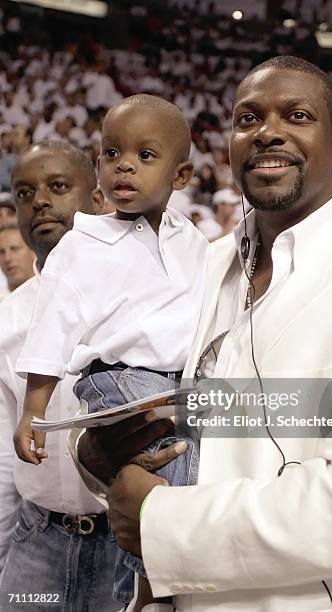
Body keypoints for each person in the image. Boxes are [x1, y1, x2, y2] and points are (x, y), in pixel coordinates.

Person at [104, 56, 332, 612]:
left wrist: (161, 522)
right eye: (247, 118)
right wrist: (104, 451)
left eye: (297, 115)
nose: (267, 131)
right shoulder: (205, 266)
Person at [14, 95, 207, 608]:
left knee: (191, 466)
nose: (124, 164)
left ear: (181, 174)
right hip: (119, 377)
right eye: (111, 153)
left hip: (173, 380)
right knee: (171, 472)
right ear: (99, 166)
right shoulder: (85, 241)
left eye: (146, 156)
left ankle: (149, 582)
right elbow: (53, 326)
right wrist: (34, 408)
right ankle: (146, 591)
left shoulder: (192, 240)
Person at [0, 140, 120, 611]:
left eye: (57, 186)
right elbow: (6, 457)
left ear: (96, 199)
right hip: (37, 542)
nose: (40, 202)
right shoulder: (9, 319)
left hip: (125, 541)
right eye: (25, 193)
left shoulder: (146, 302)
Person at [0, 223, 35, 301]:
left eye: (14, 249)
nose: (7, 258)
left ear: (33, 251)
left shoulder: (52, 294)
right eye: (1, 252)